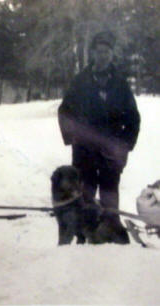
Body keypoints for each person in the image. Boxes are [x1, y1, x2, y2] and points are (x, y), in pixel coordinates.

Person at [58, 30, 141, 244]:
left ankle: (112, 232)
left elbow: (133, 118)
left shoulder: (121, 84)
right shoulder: (80, 81)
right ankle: (85, 234)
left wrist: (124, 145)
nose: (103, 56)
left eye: (107, 52)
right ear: (93, 54)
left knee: (109, 192)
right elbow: (65, 111)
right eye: (99, 51)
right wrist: (72, 137)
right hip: (84, 149)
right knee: (85, 192)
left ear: (112, 55)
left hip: (111, 151)